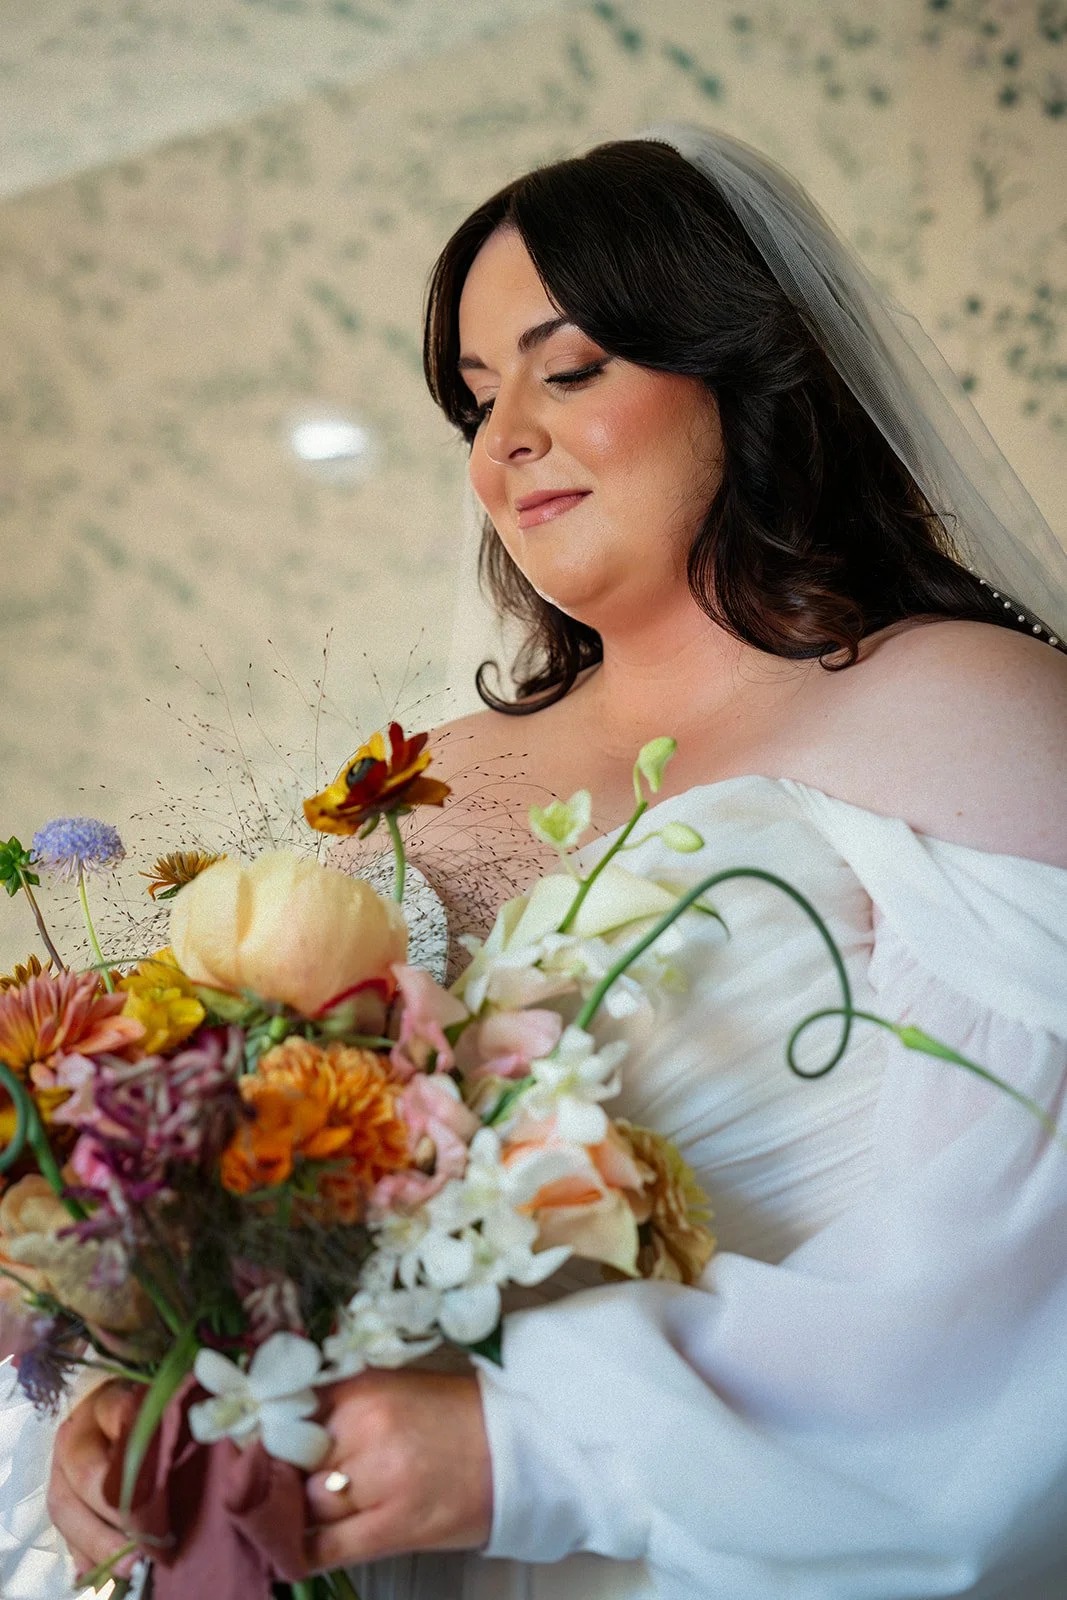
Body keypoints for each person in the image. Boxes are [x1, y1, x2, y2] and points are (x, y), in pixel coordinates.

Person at [30, 126, 1067, 1600]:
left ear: (744, 369)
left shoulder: (962, 710)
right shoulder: (417, 784)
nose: (502, 438)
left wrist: (533, 1449)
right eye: (475, 399)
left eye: (567, 369)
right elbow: (248, 1186)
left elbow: (1027, 1284)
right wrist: (140, 1380)